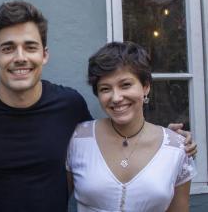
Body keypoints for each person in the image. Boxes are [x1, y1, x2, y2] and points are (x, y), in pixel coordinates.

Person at [0, 1, 196, 212]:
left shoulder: (69, 106)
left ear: (45, 55)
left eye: (30, 47)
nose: (20, 57)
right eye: (8, 48)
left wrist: (169, 142)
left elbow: (115, 133)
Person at [66, 41, 196, 211]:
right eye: (105, 89)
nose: (116, 97)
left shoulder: (177, 147)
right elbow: (56, 198)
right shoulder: (78, 140)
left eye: (125, 85)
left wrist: (173, 140)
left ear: (146, 87)